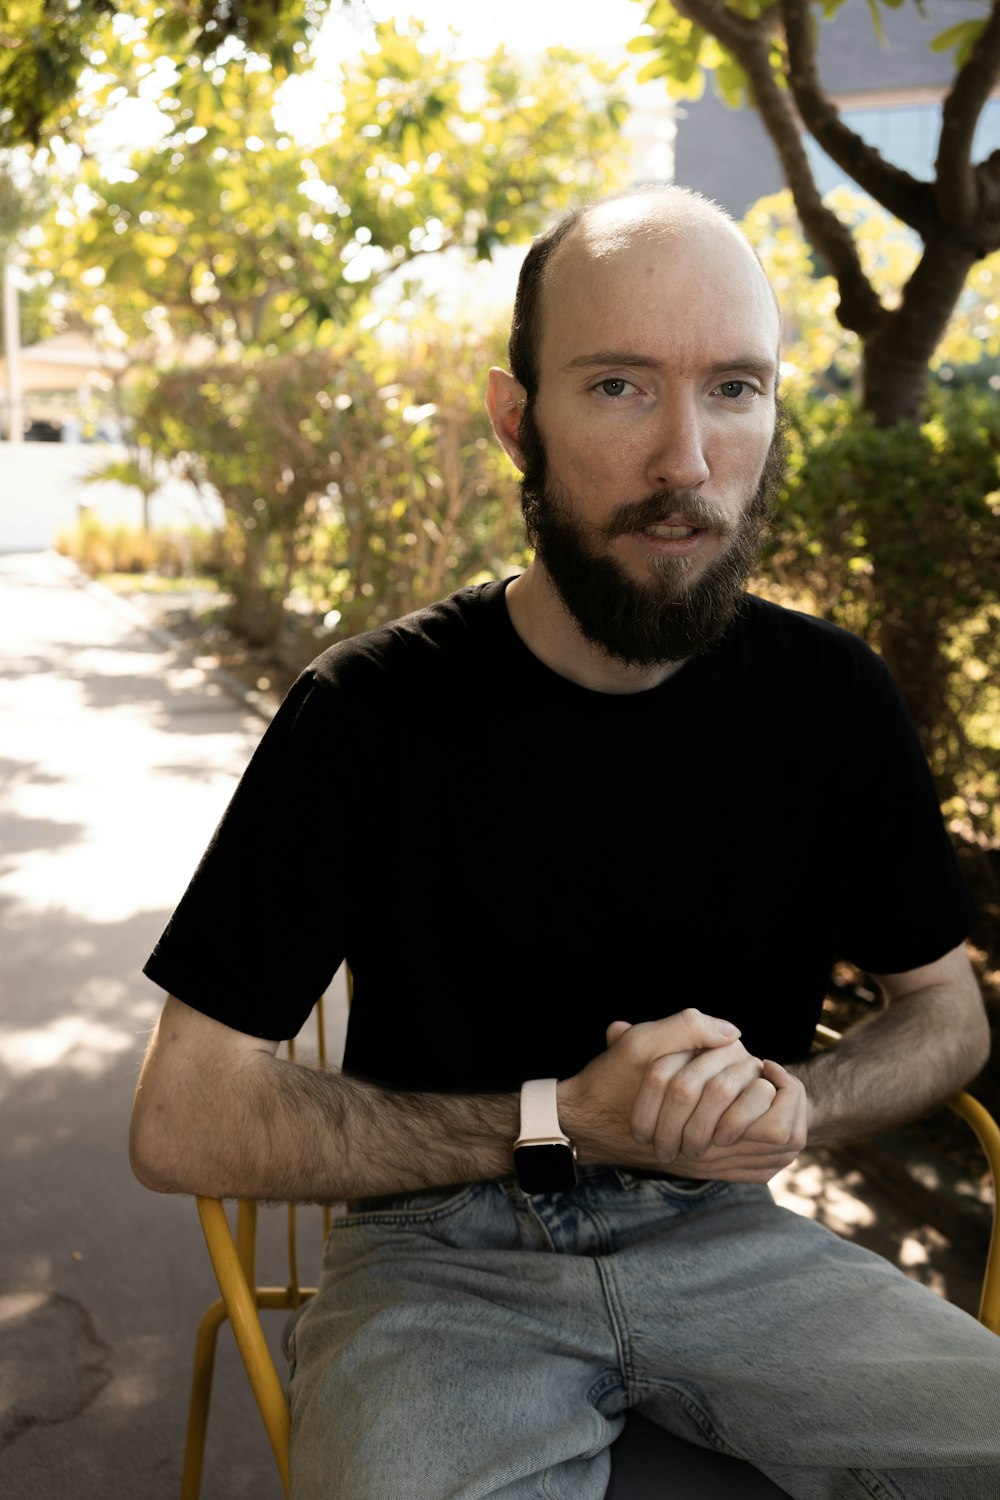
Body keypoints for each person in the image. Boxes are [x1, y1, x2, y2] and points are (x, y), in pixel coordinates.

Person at [130, 185, 1000, 1499]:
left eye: (735, 391)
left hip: (729, 1234)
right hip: (435, 1265)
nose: (687, 465)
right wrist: (562, 1123)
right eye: (617, 388)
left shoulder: (832, 699)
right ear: (514, 421)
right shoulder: (368, 711)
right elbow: (183, 1119)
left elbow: (948, 1016)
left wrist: (797, 1107)